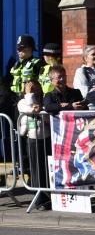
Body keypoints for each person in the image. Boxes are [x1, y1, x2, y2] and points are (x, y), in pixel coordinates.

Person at [18, 80, 51, 210]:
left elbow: (48, 115)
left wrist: (41, 109)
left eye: (36, 88)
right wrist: (29, 95)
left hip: (46, 138)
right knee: (36, 169)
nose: (34, 91)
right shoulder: (22, 102)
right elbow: (28, 109)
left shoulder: (44, 101)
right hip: (33, 139)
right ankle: (39, 199)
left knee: (47, 169)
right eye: (30, 89)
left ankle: (48, 197)